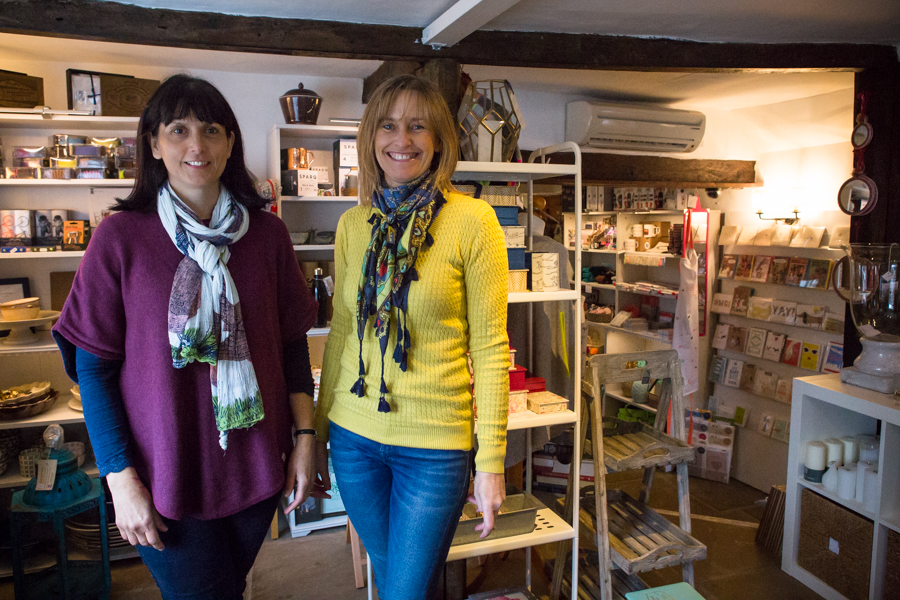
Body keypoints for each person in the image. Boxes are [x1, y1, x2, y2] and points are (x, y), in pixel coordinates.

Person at [52, 74, 322, 600]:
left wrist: (305, 440)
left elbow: (291, 346)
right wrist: (119, 479)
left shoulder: (267, 235)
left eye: (211, 130)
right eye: (178, 129)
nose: (196, 145)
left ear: (230, 143)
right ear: (154, 143)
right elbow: (94, 369)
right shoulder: (119, 238)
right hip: (163, 475)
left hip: (255, 465)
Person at [314, 75, 510, 599]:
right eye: (388, 125)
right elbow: (343, 332)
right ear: (371, 138)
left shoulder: (474, 221)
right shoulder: (354, 225)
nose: (402, 139)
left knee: (404, 589)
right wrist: (316, 435)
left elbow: (491, 350)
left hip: (434, 448)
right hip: (353, 440)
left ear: (439, 140)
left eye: (418, 126)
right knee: (396, 581)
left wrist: (490, 463)